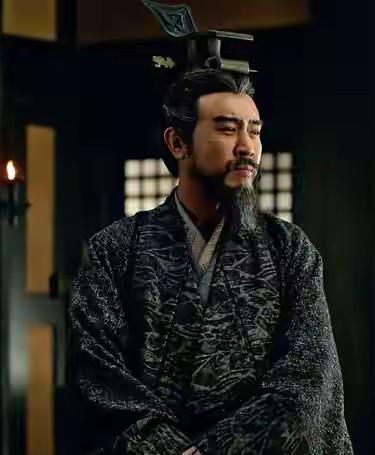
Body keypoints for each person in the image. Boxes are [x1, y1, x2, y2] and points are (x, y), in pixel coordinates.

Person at [68, 67, 353, 454]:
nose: (247, 147)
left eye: (254, 131)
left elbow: (309, 377)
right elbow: (98, 376)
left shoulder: (288, 249)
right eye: (228, 129)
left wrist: (216, 449)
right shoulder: (115, 250)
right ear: (177, 143)